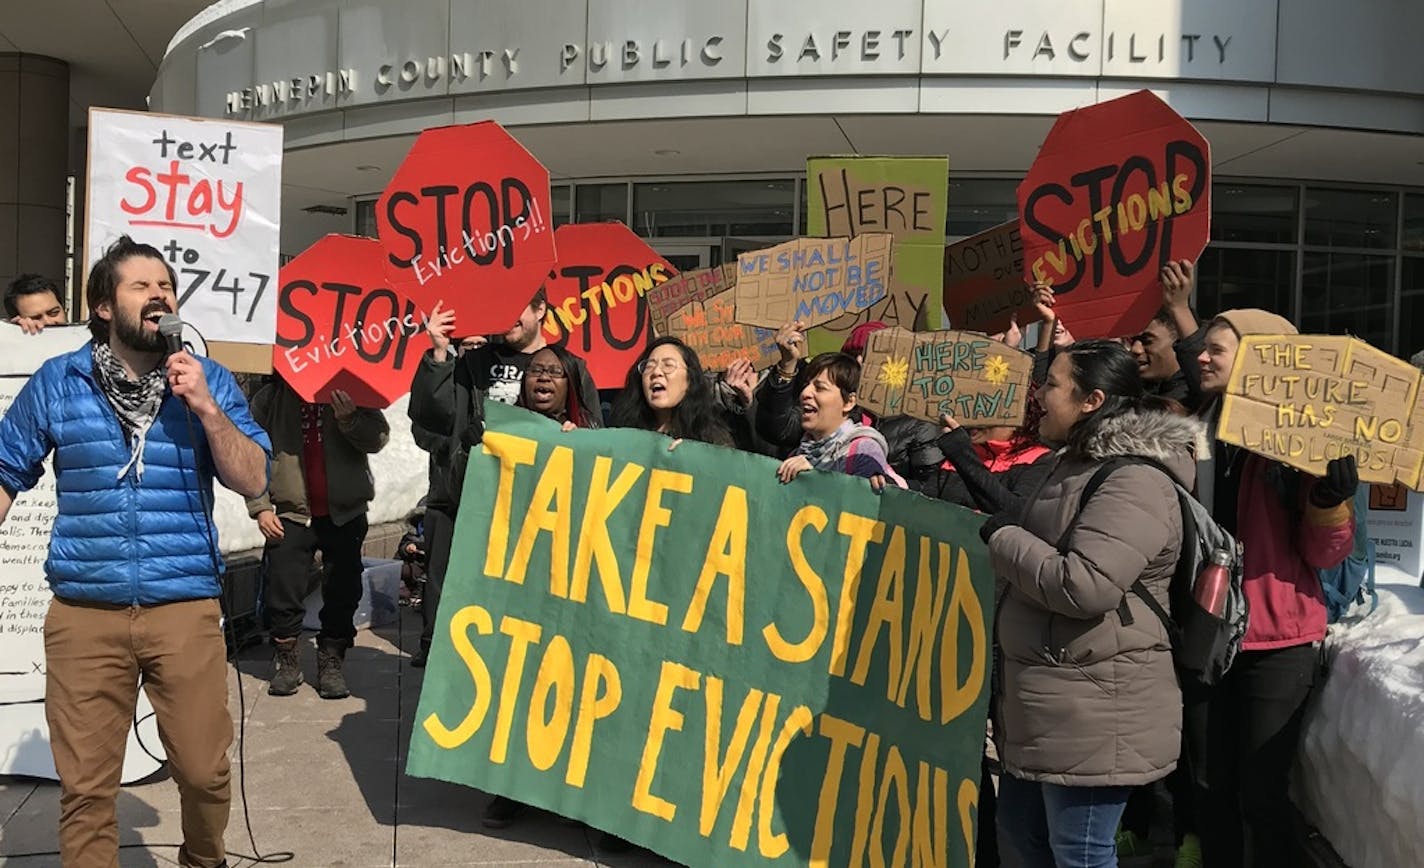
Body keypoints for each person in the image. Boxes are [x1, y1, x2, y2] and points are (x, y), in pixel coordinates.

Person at [0, 236, 270, 868]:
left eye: (166, 287)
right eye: (141, 286)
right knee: (88, 790)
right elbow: (6, 469)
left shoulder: (209, 381)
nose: (159, 296)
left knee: (204, 775)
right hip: (84, 614)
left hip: (184, 606)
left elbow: (254, 477)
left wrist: (205, 406)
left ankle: (205, 859)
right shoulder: (59, 381)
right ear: (102, 306)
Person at [980, 339, 1198, 868]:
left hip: (1098, 707)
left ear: (1091, 400)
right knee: (1022, 846)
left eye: (1052, 384)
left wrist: (1003, 538)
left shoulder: (1136, 480)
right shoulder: (1068, 465)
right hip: (1045, 704)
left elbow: (1086, 585)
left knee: (1079, 855)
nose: (1039, 394)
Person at [1190, 309, 1357, 868]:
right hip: (1205, 633)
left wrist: (1328, 501)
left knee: (1261, 795)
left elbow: (1326, 553)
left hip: (1276, 642)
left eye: (1216, 349)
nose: (1202, 357)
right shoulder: (1192, 429)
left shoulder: (1300, 443)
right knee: (1209, 785)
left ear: (1262, 360)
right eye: (1203, 348)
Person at [408, 290, 602, 675]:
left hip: (537, 509)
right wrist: (440, 354)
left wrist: (575, 434)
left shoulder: (571, 366)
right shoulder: (472, 362)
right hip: (471, 499)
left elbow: (595, 430)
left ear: (541, 310)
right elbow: (431, 417)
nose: (507, 316)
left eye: (517, 306)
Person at [245, 376, 389, 700]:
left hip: (345, 511)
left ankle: (332, 660)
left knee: (343, 589)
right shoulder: (271, 397)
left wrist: (350, 419)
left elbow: (378, 438)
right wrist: (260, 506)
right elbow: (250, 451)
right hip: (289, 512)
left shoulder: (351, 389)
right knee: (282, 589)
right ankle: (287, 660)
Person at [775, 351, 905, 488]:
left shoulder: (863, 451)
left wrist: (814, 477)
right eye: (806, 385)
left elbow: (863, 504)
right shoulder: (798, 453)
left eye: (820, 388)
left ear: (849, 402)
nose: (805, 393)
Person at [609, 336, 733, 446]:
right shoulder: (623, 436)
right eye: (649, 366)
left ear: (690, 379)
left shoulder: (712, 440)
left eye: (668, 365)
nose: (656, 372)